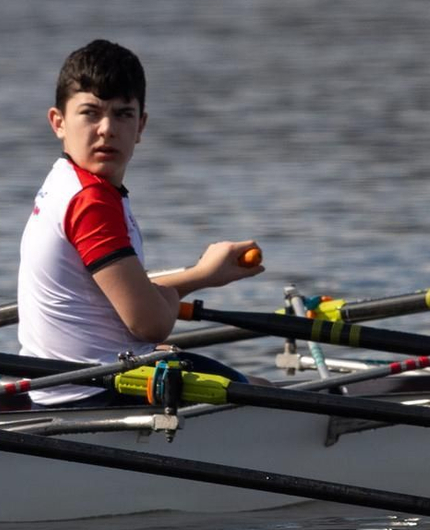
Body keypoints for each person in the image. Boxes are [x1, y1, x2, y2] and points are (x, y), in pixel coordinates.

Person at [17, 38, 263, 400]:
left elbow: (119, 291)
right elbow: (150, 325)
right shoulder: (91, 202)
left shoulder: (64, 180)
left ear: (141, 125)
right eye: (90, 112)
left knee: (253, 386)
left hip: (66, 384)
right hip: (94, 395)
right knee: (262, 392)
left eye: (123, 114)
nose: (107, 129)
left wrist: (203, 275)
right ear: (58, 122)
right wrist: (191, 282)